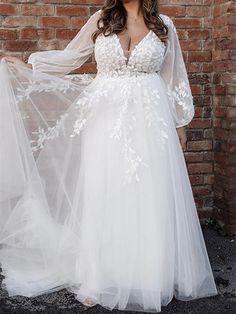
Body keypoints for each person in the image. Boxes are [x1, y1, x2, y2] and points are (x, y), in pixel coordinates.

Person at [0, 0, 218, 312]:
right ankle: (97, 276)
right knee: (104, 191)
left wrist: (181, 123)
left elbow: (174, 77)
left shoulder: (164, 24)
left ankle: (147, 274)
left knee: (148, 194)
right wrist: (30, 67)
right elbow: (71, 57)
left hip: (150, 121)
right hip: (105, 121)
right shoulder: (101, 20)